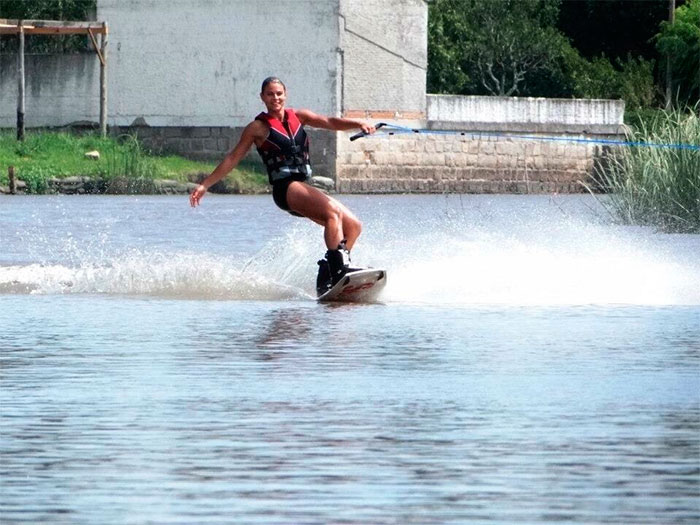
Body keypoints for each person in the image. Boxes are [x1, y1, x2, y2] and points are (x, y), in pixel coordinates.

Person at [189, 77, 375, 295]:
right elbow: (232, 158)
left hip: (301, 186)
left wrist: (358, 123)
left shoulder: (300, 116)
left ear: (285, 95)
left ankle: (328, 272)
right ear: (262, 98)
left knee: (354, 226)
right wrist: (205, 185)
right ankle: (338, 270)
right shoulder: (257, 128)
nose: (275, 98)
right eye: (270, 94)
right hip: (284, 188)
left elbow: (330, 122)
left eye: (279, 93)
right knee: (332, 213)